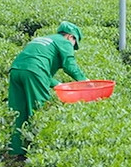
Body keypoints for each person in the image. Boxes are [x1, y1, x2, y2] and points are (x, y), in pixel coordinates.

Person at [5, 21, 89, 158]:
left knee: (18, 110)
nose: (73, 48)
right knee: (39, 109)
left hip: (16, 70)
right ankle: (39, 152)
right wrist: (85, 82)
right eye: (75, 43)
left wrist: (60, 85)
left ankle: (16, 150)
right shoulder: (64, 42)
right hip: (34, 72)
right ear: (70, 37)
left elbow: (38, 71)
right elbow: (69, 65)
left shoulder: (44, 39)